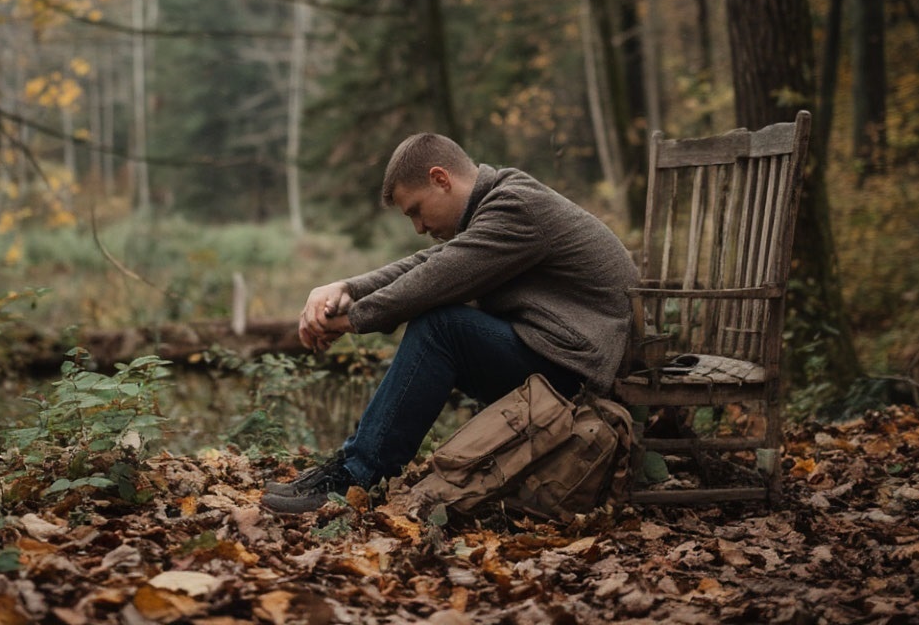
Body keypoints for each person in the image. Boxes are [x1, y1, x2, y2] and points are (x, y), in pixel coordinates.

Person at [261, 133, 637, 514]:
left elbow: (436, 278)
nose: (419, 228)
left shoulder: (517, 206)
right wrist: (346, 287)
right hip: (556, 355)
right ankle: (350, 468)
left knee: (441, 327)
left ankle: (358, 477)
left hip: (576, 371)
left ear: (441, 179)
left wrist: (352, 318)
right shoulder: (498, 203)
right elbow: (430, 263)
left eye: (416, 211)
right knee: (443, 325)